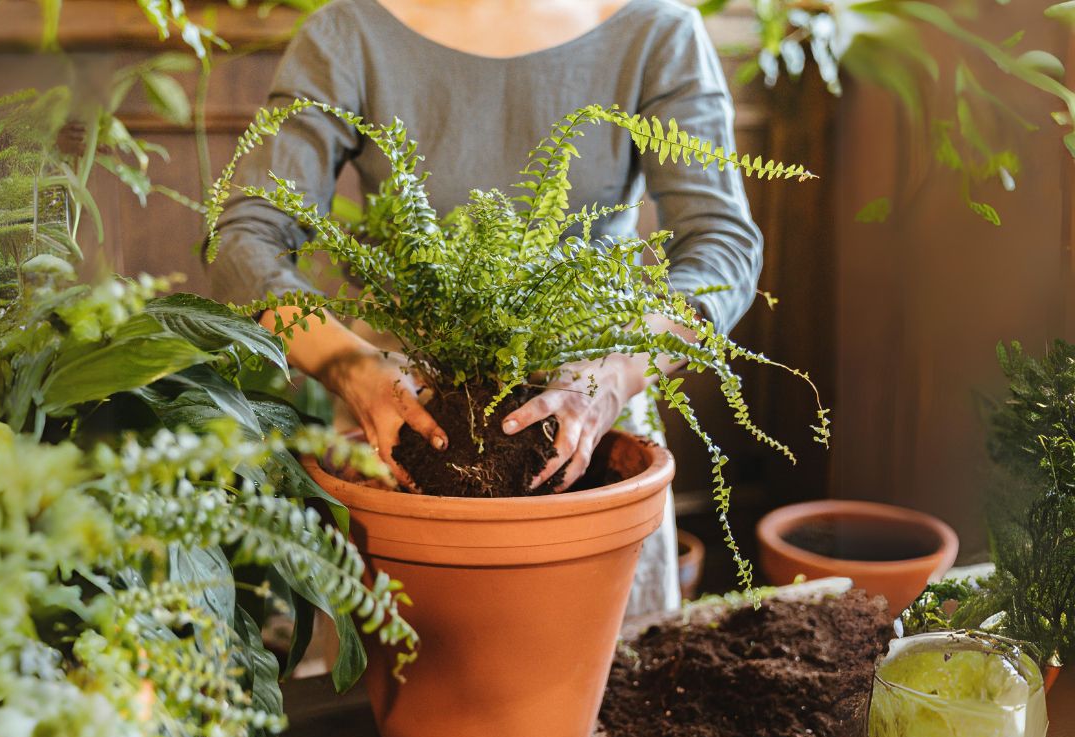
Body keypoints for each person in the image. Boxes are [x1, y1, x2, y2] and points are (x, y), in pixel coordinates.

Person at [208, 0, 763, 614]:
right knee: (415, 680)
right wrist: (355, 371)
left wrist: (613, 377)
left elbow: (722, 245)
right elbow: (243, 241)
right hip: (403, 431)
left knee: (608, 681)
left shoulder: (655, 32)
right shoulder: (352, 32)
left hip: (588, 428)